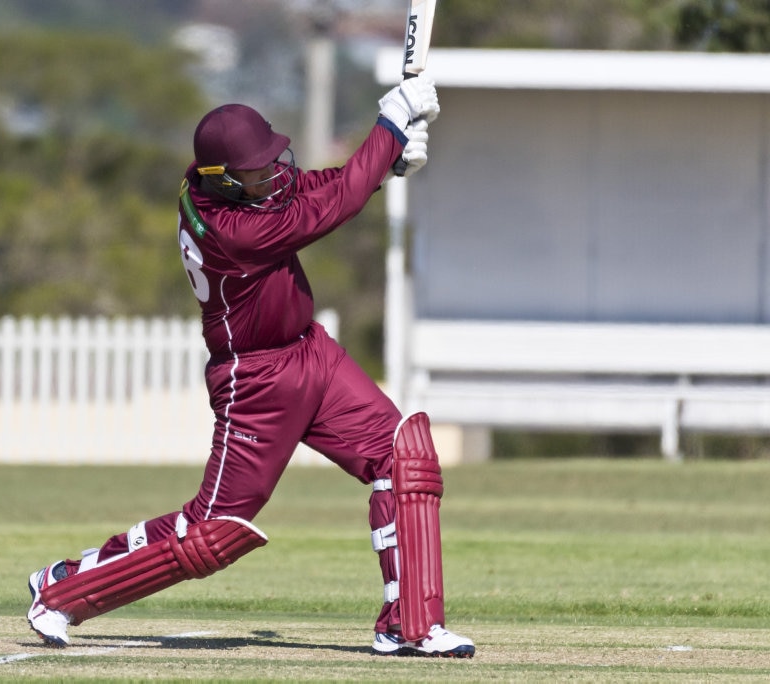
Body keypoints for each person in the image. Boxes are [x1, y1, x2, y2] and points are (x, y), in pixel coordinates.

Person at [25, 72, 475, 658]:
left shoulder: (232, 189)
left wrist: (384, 163)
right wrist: (388, 128)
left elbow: (313, 187)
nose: (274, 171)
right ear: (224, 179)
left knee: (403, 457)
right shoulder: (229, 231)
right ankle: (63, 588)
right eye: (258, 168)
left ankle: (411, 625)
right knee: (212, 533)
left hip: (310, 350)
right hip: (256, 380)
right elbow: (330, 207)